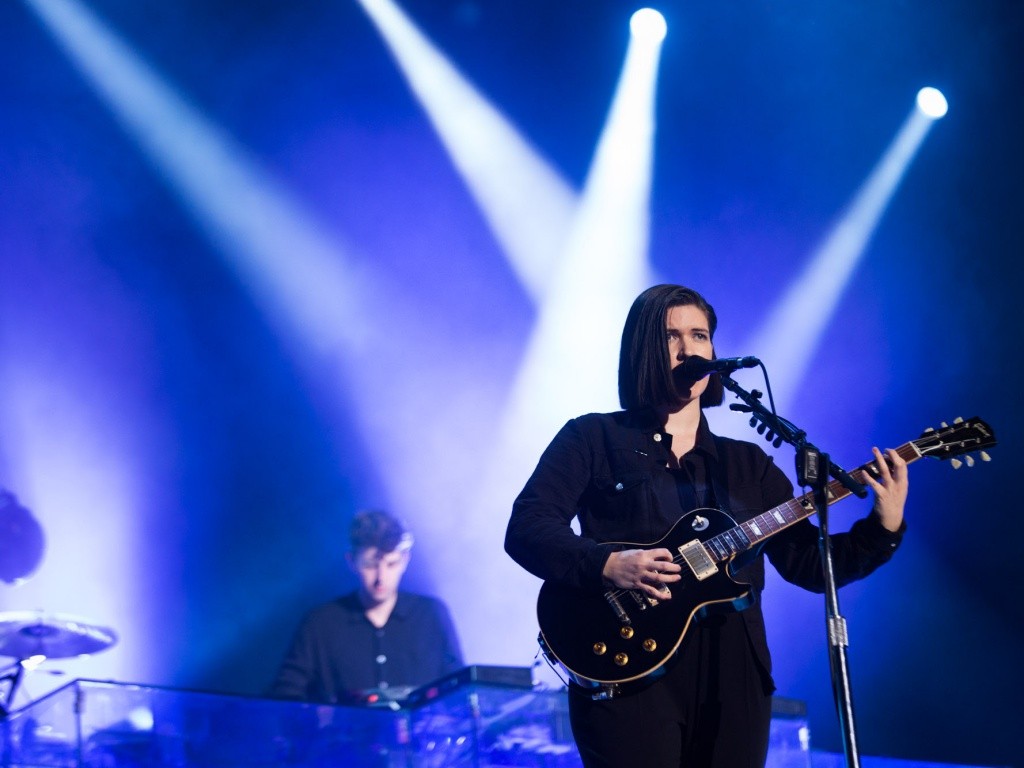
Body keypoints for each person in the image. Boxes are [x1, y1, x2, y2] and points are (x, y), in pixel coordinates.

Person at [504, 284, 908, 768]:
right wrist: (607, 564)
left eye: (700, 335)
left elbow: (811, 566)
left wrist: (884, 525)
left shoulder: (748, 466)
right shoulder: (592, 438)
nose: (688, 348)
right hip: (627, 668)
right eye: (671, 335)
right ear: (643, 349)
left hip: (734, 675)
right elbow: (528, 526)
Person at [270, 509, 464, 704]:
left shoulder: (431, 615)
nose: (381, 578)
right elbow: (286, 696)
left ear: (405, 560)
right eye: (370, 565)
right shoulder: (320, 624)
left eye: (391, 564)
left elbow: (460, 691)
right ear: (352, 561)